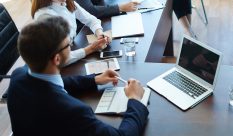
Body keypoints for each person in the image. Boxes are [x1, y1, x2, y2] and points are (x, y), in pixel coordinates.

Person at [7, 16, 148, 135]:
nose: (71, 47)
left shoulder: (18, 76)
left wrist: (94, 80)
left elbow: (55, 83)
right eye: (68, 45)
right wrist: (135, 99)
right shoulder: (73, 112)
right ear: (57, 59)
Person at [31, 0, 109, 67]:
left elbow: (91, 19)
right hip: (55, 69)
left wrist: (100, 34)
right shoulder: (45, 17)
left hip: (73, 51)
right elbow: (61, 59)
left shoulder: (65, 2)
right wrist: (91, 48)